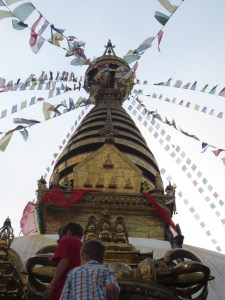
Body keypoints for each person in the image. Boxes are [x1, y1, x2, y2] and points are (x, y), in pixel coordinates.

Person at [44, 222, 84, 300]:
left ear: (68, 233)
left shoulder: (66, 241)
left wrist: (51, 285)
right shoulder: (86, 247)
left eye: (61, 238)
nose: (60, 241)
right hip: (80, 289)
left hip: (64, 287)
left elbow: (64, 261)